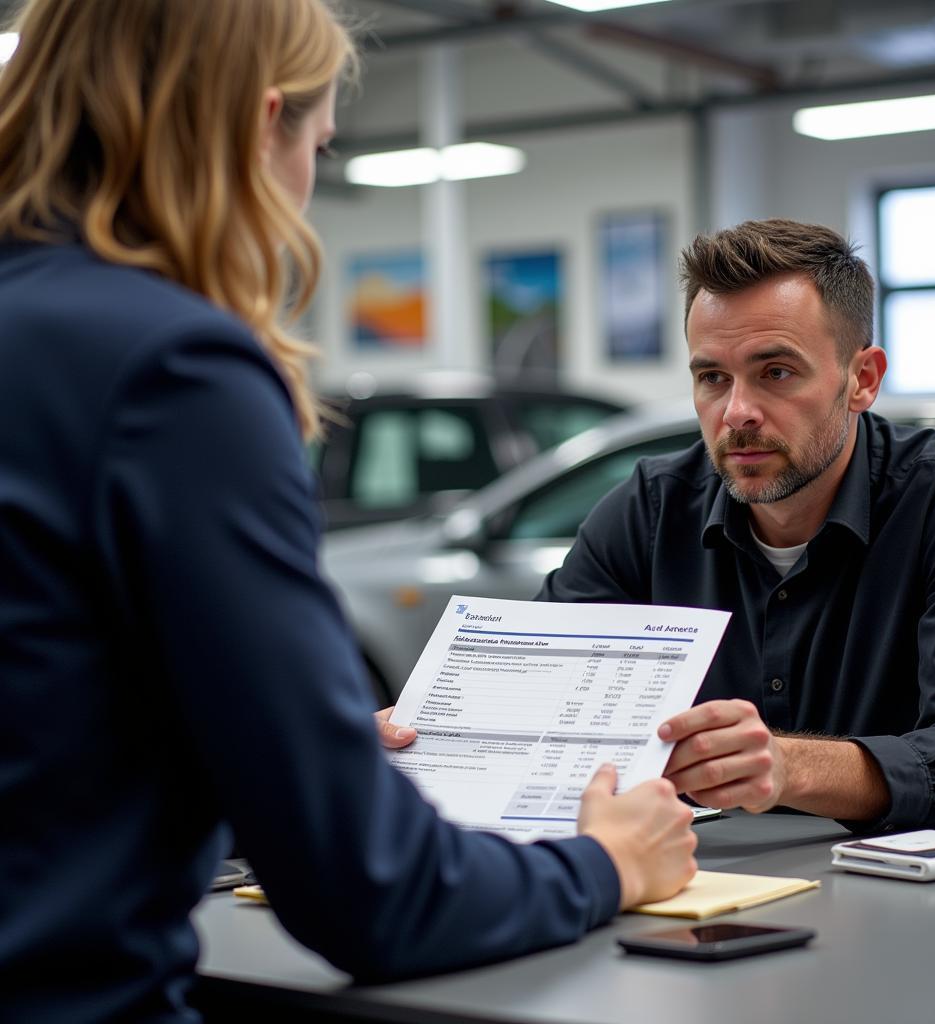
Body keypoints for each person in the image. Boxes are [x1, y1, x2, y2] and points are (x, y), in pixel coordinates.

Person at [0, 2, 697, 1020]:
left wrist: (276, 742)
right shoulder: (177, 369)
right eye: (318, 147)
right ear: (259, 123)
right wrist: (603, 863)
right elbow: (375, 896)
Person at [539, 218, 935, 830]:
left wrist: (789, 766)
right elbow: (538, 702)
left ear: (862, 380)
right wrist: (415, 737)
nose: (736, 412)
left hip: (894, 900)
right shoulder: (652, 506)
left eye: (776, 373)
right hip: (699, 891)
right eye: (712, 377)